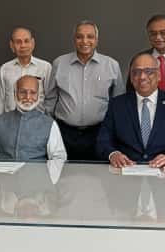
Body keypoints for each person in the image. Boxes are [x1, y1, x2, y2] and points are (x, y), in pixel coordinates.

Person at [97, 53, 165, 170]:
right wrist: (113, 154)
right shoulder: (117, 105)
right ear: (131, 77)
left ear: (159, 75)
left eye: (149, 71)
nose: (142, 77)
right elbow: (102, 141)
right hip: (126, 176)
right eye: (136, 72)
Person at [43, 20, 125, 160]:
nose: (84, 41)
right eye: (79, 36)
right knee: (63, 178)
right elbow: (50, 100)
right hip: (64, 133)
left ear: (97, 40)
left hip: (99, 133)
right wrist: (49, 128)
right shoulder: (59, 63)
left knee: (99, 178)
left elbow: (119, 102)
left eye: (90, 36)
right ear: (74, 39)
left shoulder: (111, 65)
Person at [0, 75, 66, 162]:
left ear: (38, 95)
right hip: (3, 175)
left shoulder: (49, 124)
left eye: (33, 92)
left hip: (37, 175)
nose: (28, 97)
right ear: (14, 93)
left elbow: (58, 159)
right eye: (23, 92)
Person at [0, 27, 52, 115]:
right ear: (12, 45)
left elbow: (50, 98)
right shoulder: (5, 69)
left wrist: (47, 121)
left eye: (26, 41)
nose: (23, 45)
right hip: (10, 123)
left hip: (37, 122)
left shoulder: (45, 68)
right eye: (18, 42)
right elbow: (0, 100)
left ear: (32, 43)